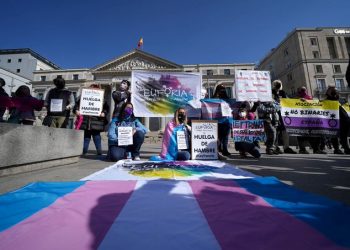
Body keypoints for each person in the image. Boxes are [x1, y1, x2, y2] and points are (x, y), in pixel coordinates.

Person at [74, 84, 109, 155]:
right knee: (86, 139)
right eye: (91, 89)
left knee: (97, 139)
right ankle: (84, 153)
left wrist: (104, 113)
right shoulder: (82, 98)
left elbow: (106, 108)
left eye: (95, 90)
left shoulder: (102, 99)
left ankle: (99, 153)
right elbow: (76, 106)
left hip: (97, 122)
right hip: (86, 122)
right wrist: (76, 110)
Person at [295, 87, 326, 154]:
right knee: (301, 135)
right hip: (301, 119)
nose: (304, 91)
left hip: (311, 119)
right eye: (302, 90)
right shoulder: (297, 98)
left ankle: (316, 149)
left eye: (304, 89)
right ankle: (302, 149)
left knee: (314, 134)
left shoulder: (310, 97)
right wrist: (299, 100)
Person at [272, 80, 297, 154]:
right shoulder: (271, 92)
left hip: (283, 114)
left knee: (285, 130)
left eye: (279, 84)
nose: (278, 85)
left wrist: (298, 101)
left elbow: (288, 100)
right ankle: (275, 147)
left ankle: (286, 147)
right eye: (277, 84)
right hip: (275, 114)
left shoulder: (283, 92)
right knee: (276, 131)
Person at [324, 86, 350, 154]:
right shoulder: (326, 101)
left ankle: (346, 148)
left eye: (335, 90)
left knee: (344, 136)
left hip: (345, 120)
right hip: (333, 120)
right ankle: (336, 149)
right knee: (334, 135)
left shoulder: (343, 100)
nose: (334, 91)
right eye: (332, 90)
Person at [212, 83, 231, 156]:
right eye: (220, 89)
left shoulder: (228, 99)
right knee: (218, 136)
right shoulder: (214, 99)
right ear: (217, 90)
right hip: (217, 120)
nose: (222, 91)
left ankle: (225, 149)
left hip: (226, 120)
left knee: (226, 136)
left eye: (223, 89)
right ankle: (218, 149)